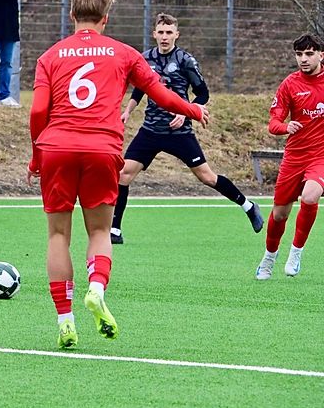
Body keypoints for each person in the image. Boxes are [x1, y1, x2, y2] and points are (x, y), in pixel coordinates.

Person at [28, 0, 208, 349]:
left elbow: (37, 111)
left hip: (57, 148)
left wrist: (36, 156)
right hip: (101, 149)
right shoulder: (125, 54)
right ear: (105, 19)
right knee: (99, 232)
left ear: (72, 15)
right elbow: (160, 94)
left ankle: (65, 321)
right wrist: (193, 110)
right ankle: (96, 289)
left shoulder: (50, 56)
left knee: (58, 235)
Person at [112, 13, 263, 244]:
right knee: (123, 175)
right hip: (151, 130)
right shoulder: (145, 59)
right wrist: (128, 110)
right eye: (160, 32)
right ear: (154, 34)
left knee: (207, 178)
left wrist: (185, 113)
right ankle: (115, 230)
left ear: (176, 34)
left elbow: (203, 93)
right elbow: (141, 88)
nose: (164, 37)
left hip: (179, 132)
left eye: (169, 32)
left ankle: (248, 206)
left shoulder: (185, 61)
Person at [255, 33, 324, 280]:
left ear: (320, 54)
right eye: (299, 54)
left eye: (309, 54)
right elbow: (273, 123)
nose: (303, 59)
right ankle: (269, 258)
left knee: (310, 195)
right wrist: (286, 127)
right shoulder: (290, 84)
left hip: (321, 156)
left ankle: (296, 252)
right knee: (279, 214)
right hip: (294, 157)